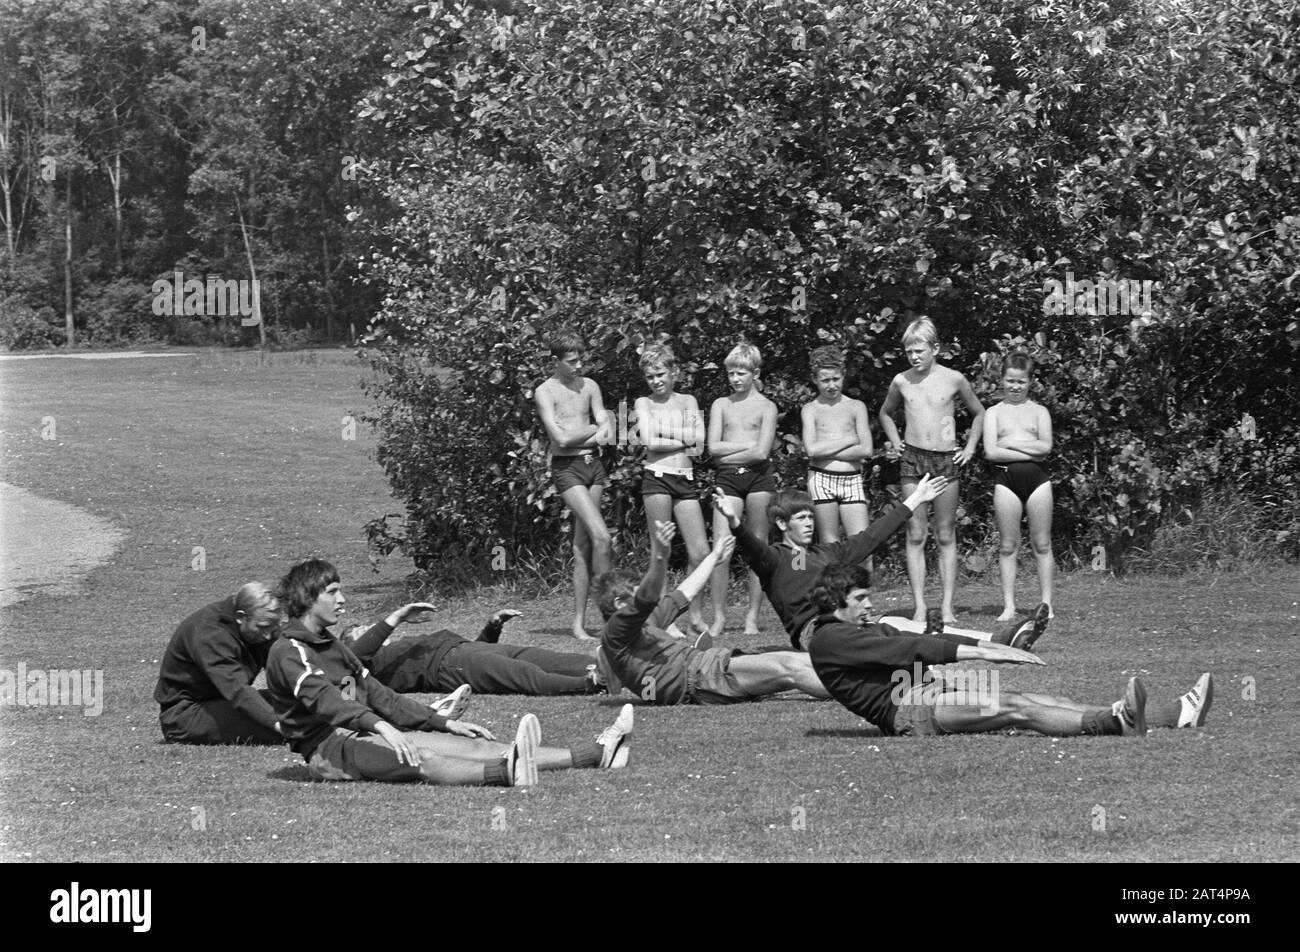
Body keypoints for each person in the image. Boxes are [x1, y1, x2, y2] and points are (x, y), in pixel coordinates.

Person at [265, 559, 633, 786]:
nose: (342, 600)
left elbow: (379, 694)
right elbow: (325, 701)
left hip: (360, 733)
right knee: (420, 759)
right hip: (330, 749)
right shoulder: (288, 651)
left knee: (477, 745)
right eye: (333, 592)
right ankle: (505, 774)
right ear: (309, 598)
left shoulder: (332, 645)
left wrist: (441, 723)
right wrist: (381, 726)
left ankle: (595, 754)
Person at [806, 564, 1213, 737]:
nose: (870, 605)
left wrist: (982, 645)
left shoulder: (856, 628)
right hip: (910, 714)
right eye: (861, 598)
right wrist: (986, 652)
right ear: (836, 602)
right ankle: (1116, 726)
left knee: (1045, 698)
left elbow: (914, 641)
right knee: (1016, 708)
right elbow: (910, 648)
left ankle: (1176, 714)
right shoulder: (830, 640)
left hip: (928, 693)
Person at [594, 523, 830, 705]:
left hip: (706, 669)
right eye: (636, 596)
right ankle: (855, 692)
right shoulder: (616, 632)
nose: (646, 600)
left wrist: (714, 557)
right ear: (619, 604)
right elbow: (647, 596)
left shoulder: (647, 622)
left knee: (806, 661)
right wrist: (659, 557)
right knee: (790, 666)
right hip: (700, 676)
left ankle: (858, 679)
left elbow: (685, 591)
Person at [712, 474, 951, 650]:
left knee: (891, 625)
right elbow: (753, 547)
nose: (809, 523)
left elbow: (872, 537)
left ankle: (951, 645)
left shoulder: (826, 553)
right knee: (877, 639)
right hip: (816, 631)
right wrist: (734, 521)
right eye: (800, 518)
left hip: (846, 621)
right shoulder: (776, 559)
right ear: (783, 524)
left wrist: (916, 499)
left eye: (810, 517)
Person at [878, 318, 985, 623]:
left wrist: (970, 447)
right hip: (913, 459)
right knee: (915, 533)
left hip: (945, 460)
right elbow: (885, 413)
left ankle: (948, 606)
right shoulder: (901, 381)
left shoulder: (954, 379)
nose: (914, 357)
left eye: (919, 350)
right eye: (909, 351)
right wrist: (895, 440)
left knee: (946, 533)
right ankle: (920, 606)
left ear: (935, 348)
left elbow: (979, 413)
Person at [534, 329, 614, 640]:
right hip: (567, 470)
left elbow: (607, 429)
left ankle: (580, 624)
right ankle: (611, 618)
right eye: (572, 361)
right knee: (602, 537)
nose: (579, 365)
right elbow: (562, 439)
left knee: (582, 546)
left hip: (594, 465)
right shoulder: (545, 392)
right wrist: (595, 427)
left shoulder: (590, 386)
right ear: (555, 361)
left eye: (581, 359)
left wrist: (594, 429)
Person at [344, 608, 604, 697]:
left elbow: (478, 655)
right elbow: (356, 654)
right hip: (451, 666)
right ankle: (589, 683)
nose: (368, 629)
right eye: (360, 631)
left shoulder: (397, 649)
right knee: (525, 675)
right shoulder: (361, 666)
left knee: (544, 657)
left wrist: (492, 627)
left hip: (471, 650)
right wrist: (398, 616)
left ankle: (606, 665)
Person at [154, 581, 286, 745]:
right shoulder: (211, 634)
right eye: (263, 627)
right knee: (286, 725)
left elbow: (284, 667)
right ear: (240, 617)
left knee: (298, 708)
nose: (268, 636)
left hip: (224, 702)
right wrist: (276, 722)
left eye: (274, 627)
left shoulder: (257, 626)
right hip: (186, 713)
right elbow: (237, 690)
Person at [635, 342, 710, 630]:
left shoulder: (688, 401)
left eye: (660, 374)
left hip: (685, 478)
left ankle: (693, 615)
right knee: (661, 550)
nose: (656, 381)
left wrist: (664, 428)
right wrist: (685, 436)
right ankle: (664, 620)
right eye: (650, 376)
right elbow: (650, 442)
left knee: (701, 552)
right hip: (657, 476)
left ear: (674, 372)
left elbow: (699, 441)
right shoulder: (644, 403)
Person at [707, 343, 778, 637]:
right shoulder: (721, 405)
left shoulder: (767, 407)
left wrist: (731, 451)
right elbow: (712, 449)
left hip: (759, 479)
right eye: (731, 373)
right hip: (727, 479)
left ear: (755, 373)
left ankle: (752, 616)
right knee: (722, 546)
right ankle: (720, 617)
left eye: (741, 373)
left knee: (757, 546)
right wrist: (748, 446)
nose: (735, 379)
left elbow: (763, 454)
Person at [983, 353, 1055, 620]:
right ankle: (1009, 606)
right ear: (1001, 380)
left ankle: (1046, 605)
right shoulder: (993, 413)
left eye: (1021, 382)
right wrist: (1030, 451)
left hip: (1038, 482)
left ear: (1030, 382)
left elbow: (1046, 447)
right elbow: (991, 452)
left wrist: (1010, 445)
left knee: (1042, 544)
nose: (1015, 386)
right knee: (1007, 545)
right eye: (1010, 381)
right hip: (1006, 482)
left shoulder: (1039, 412)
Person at [801, 345, 874, 547]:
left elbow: (866, 450)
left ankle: (862, 580)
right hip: (821, 479)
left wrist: (827, 451)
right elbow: (812, 451)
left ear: (843, 375)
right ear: (815, 379)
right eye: (825, 380)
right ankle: (827, 579)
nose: (831, 385)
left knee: (861, 542)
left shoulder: (856, 407)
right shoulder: (810, 409)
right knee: (829, 543)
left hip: (852, 480)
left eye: (836, 379)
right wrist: (850, 440)